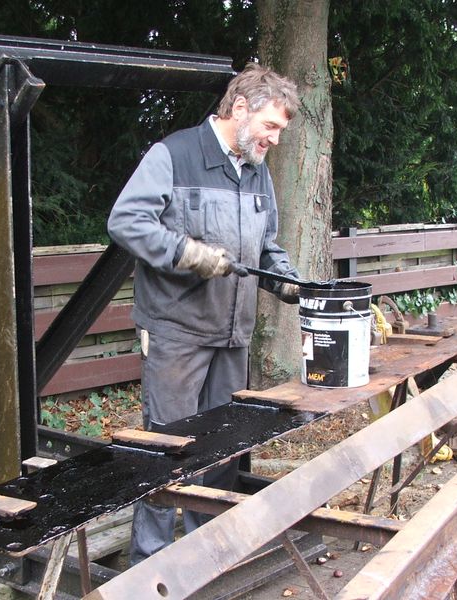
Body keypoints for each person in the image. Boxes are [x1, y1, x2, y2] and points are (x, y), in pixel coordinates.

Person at [107, 62, 301, 565]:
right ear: (240, 109)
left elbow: (267, 245)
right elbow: (126, 221)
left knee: (222, 451)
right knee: (166, 448)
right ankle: (149, 567)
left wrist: (287, 280)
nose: (275, 140)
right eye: (270, 127)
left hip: (232, 336)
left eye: (280, 130)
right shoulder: (173, 155)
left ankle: (203, 558)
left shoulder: (256, 172)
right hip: (177, 335)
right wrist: (187, 253)